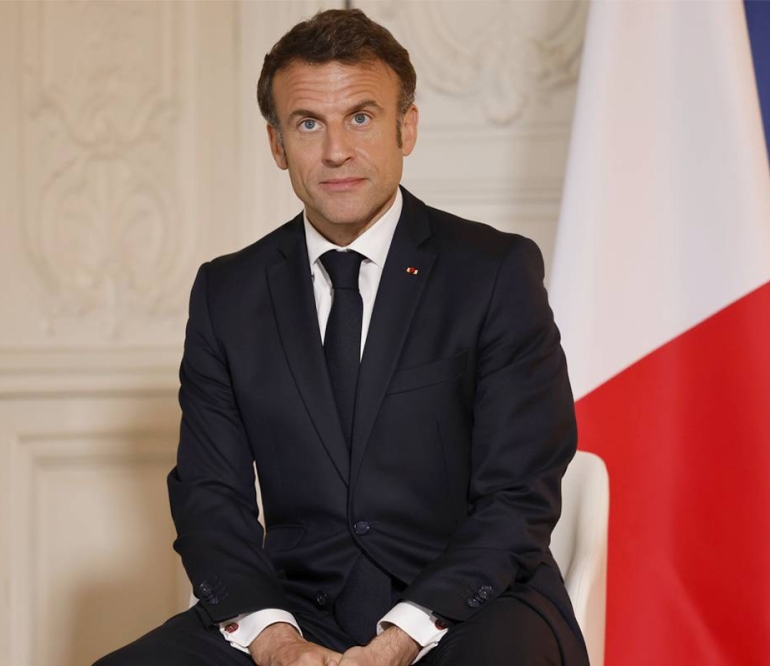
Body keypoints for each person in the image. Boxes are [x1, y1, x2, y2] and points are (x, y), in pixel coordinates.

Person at [95, 9, 587, 666]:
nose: (335, 151)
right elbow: (211, 496)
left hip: (474, 605)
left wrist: (403, 637)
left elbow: (518, 495)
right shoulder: (227, 293)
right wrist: (275, 640)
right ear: (277, 145)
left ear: (406, 128)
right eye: (308, 123)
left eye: (360, 117)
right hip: (297, 608)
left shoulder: (494, 271)